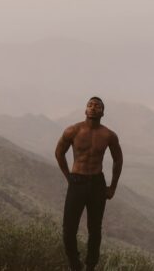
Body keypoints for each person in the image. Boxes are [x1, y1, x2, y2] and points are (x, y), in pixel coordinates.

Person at [55, 96, 123, 271]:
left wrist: (112, 186)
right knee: (69, 229)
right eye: (90, 105)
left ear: (102, 112)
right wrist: (67, 176)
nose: (93, 108)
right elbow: (59, 153)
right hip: (77, 181)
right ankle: (75, 265)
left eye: (97, 106)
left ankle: (90, 266)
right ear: (85, 110)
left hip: (97, 184)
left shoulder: (108, 135)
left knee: (95, 229)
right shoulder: (73, 131)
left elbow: (118, 160)